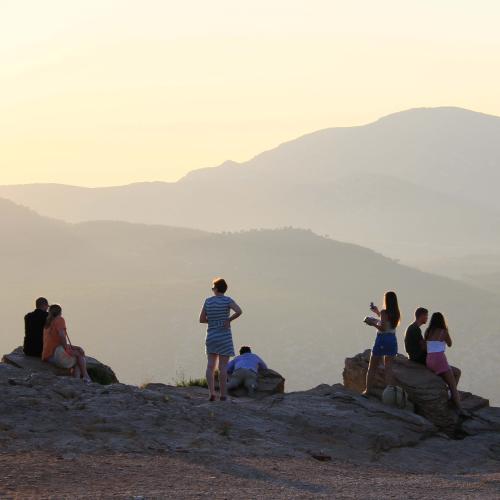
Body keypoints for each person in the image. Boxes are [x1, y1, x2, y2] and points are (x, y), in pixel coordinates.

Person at [199, 278, 242, 401]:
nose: (212, 290)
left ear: (216, 289)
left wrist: (212, 321)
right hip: (224, 337)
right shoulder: (228, 300)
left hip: (211, 336)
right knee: (223, 367)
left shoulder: (208, 301)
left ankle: (211, 393)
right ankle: (223, 395)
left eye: (213, 288)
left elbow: (201, 319)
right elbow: (239, 311)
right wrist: (228, 319)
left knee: (210, 366)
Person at [424, 312, 466, 416]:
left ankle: (450, 396)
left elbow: (426, 345)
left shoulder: (428, 331)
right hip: (440, 360)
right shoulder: (444, 332)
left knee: (456, 372)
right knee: (452, 385)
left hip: (429, 361)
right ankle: (459, 408)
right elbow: (450, 344)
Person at [405, 307, 461, 383]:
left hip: (414, 356)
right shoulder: (415, 329)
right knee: (452, 371)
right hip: (417, 357)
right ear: (421, 316)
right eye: (426, 316)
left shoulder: (413, 327)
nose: (427, 318)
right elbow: (423, 346)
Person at [362, 291, 401, 396]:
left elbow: (383, 328)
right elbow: (387, 322)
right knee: (388, 368)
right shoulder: (396, 313)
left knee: (372, 366)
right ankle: (390, 394)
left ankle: (367, 391)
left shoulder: (385, 312)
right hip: (392, 340)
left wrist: (372, 323)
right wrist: (377, 312)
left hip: (382, 339)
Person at [41, 304, 92, 383]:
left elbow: (55, 342)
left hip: (48, 356)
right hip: (57, 356)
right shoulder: (59, 320)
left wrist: (75, 347)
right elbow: (62, 336)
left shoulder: (47, 323)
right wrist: (68, 350)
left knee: (77, 354)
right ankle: (85, 377)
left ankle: (78, 380)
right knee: (79, 356)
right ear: (60, 312)